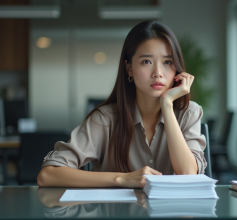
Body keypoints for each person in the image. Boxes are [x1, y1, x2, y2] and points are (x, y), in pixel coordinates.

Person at [37, 20, 206, 188]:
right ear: (129, 68)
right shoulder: (105, 119)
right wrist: (122, 179)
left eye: (167, 62)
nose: (158, 73)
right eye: (146, 61)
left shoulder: (188, 113)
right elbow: (48, 175)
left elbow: (188, 174)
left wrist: (167, 104)